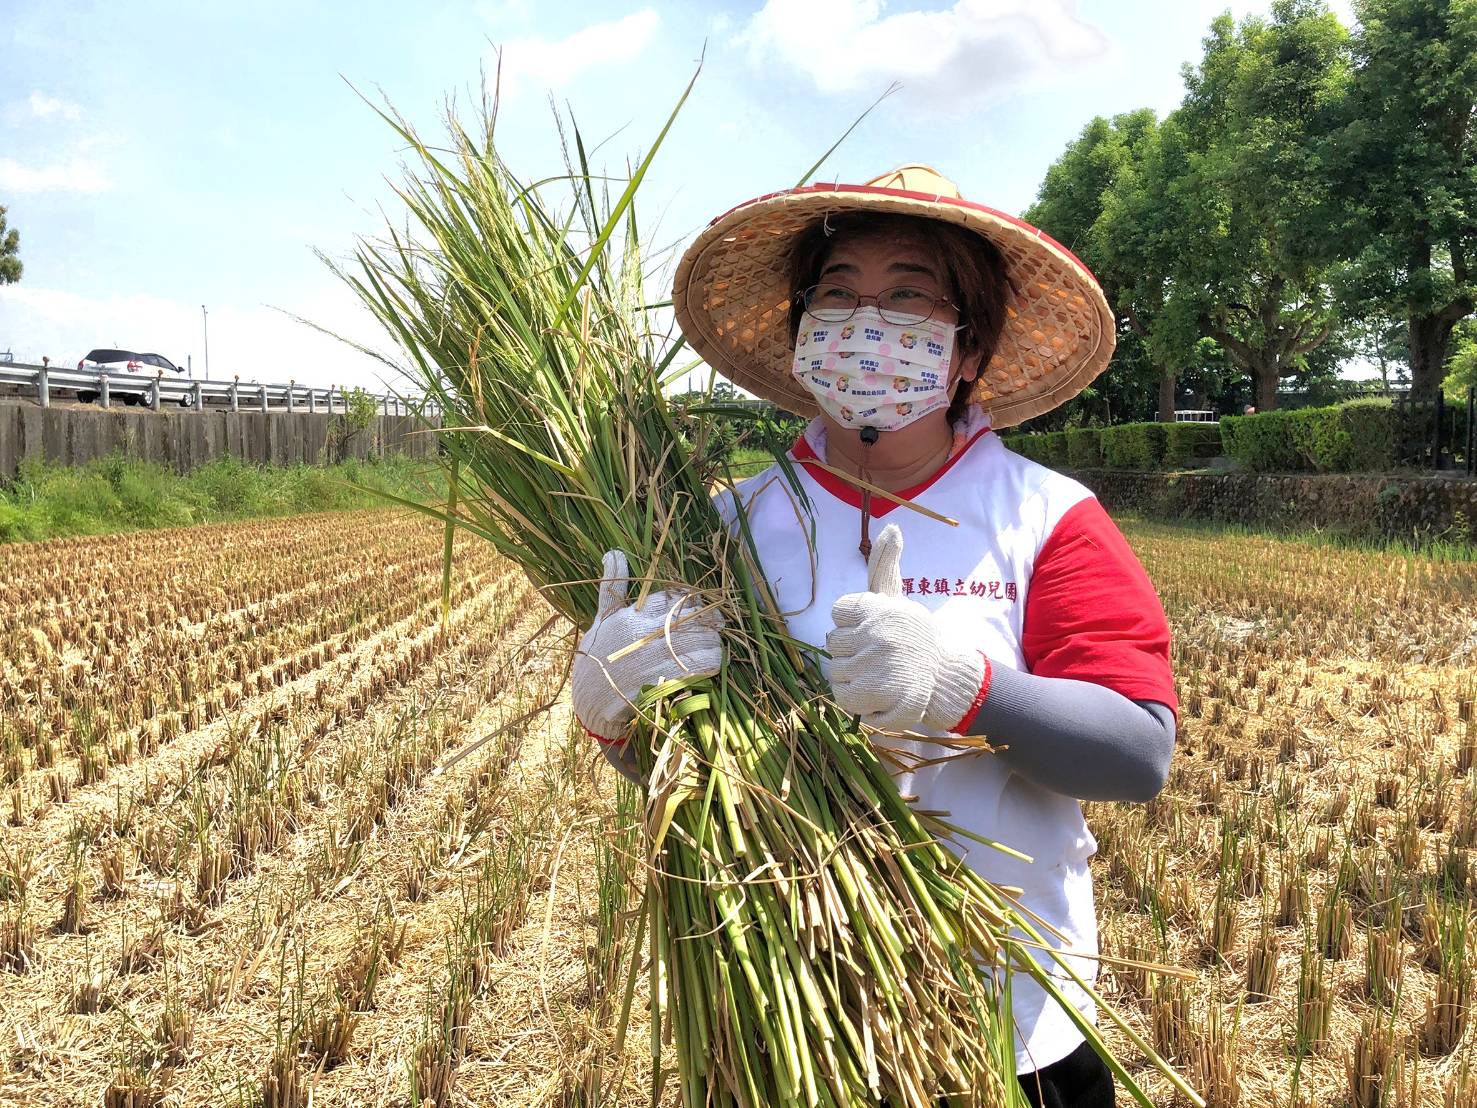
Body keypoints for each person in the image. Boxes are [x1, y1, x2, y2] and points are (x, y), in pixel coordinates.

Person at [571, 165, 1177, 1108]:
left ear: (967, 347)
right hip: (779, 1001)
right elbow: (699, 766)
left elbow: (1136, 754)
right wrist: (618, 723)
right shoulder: (721, 527)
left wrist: (965, 687)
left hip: (1005, 1012)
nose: (865, 322)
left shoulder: (1045, 518)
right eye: (838, 293)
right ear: (803, 329)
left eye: (906, 295)